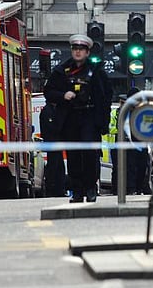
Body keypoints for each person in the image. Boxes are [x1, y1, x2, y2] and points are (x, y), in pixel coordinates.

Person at [43, 34, 112, 203]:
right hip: (70, 118)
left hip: (89, 117)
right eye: (75, 49)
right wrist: (63, 95)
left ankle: (90, 188)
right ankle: (77, 190)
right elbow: (49, 92)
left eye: (81, 49)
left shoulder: (96, 71)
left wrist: (103, 122)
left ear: (87, 52)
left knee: (90, 154)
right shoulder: (62, 70)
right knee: (73, 156)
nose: (78, 52)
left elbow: (105, 97)